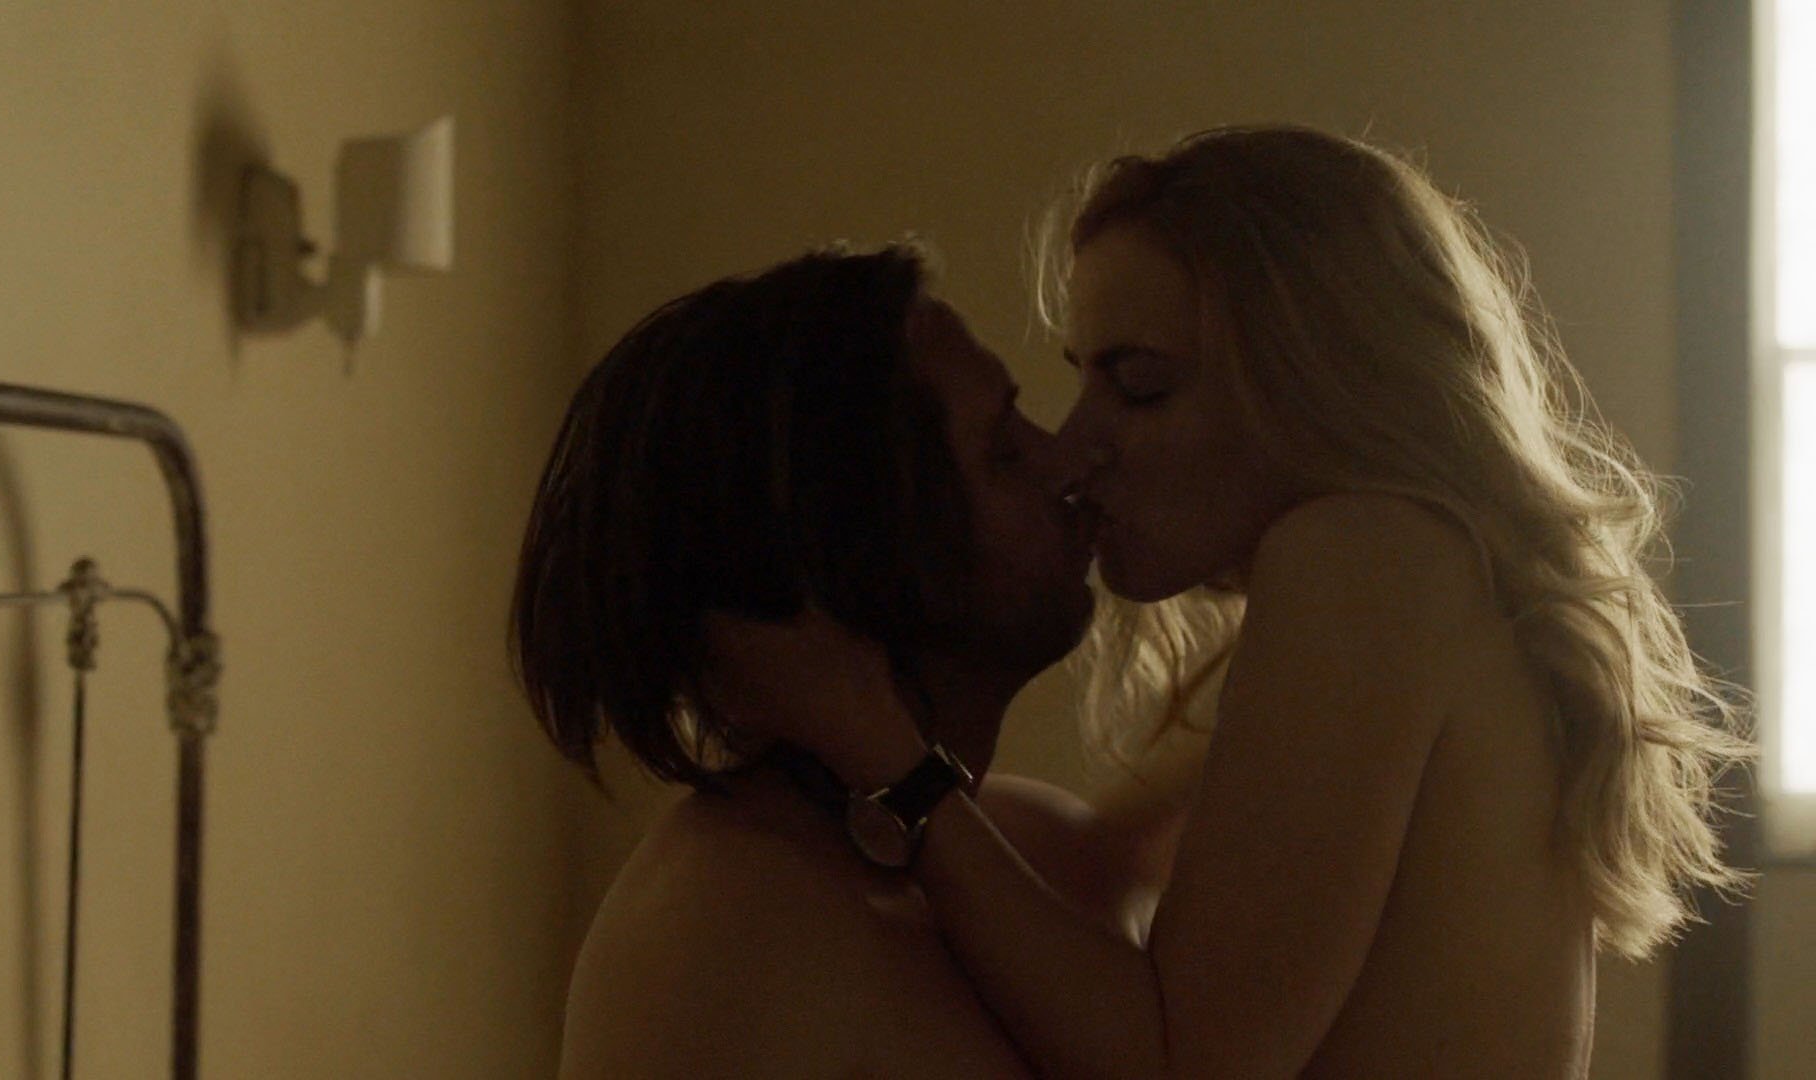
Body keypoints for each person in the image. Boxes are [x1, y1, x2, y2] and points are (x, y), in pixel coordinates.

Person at [701, 125, 1756, 1078]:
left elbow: (1184, 1064)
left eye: (1141, 386)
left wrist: (892, 764)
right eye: (1083, 380)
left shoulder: (1363, 557)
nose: (1076, 445)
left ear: (1321, 377)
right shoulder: (1436, 584)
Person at [509, 243, 1164, 1077]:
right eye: (1002, 451)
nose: (1065, 464)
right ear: (869, 556)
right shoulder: (726, 929)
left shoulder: (1055, 851)